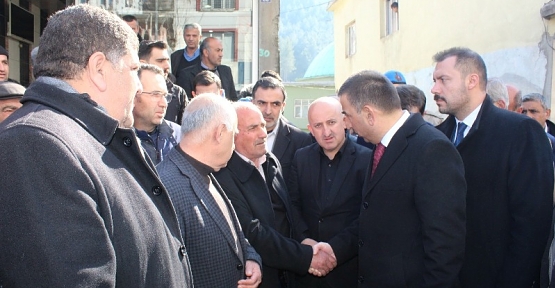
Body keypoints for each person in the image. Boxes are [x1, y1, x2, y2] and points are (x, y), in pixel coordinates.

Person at [0, 5, 193, 287]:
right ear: (99, 68)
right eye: (133, 69)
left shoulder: (84, 134)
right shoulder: (35, 144)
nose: (139, 87)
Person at [433, 47, 553, 287]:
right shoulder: (435, 138)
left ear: (472, 81)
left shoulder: (519, 133)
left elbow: (533, 223)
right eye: (434, 81)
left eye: (443, 80)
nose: (435, 89)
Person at [336, 70, 467, 287]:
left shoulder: (431, 149)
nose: (346, 124)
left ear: (369, 113)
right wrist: (335, 249)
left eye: (347, 115)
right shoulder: (381, 146)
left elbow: (444, 246)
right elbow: (374, 217)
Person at [214, 102, 335, 288]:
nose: (263, 133)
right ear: (233, 134)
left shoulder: (270, 161)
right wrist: (306, 257)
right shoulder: (222, 175)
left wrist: (303, 240)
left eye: (262, 125)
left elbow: (286, 211)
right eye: (253, 128)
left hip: (288, 275)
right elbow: (252, 232)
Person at [157, 94, 263, 288]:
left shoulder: (206, 170)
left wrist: (251, 258)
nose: (233, 144)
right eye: (234, 135)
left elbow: (233, 233)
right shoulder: (166, 187)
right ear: (220, 132)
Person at [289, 96, 372, 288]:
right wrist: (305, 240)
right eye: (318, 125)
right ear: (310, 130)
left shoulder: (366, 160)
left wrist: (335, 249)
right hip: (307, 269)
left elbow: (368, 215)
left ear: (345, 121)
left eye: (331, 122)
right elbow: (292, 204)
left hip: (349, 268)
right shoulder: (301, 158)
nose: (326, 132)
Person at [251, 77, 312, 186]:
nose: (268, 111)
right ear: (252, 103)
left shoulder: (300, 141)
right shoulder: (236, 136)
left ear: (283, 106)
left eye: (275, 104)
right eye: (262, 103)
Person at [134, 64, 181, 164]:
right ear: (134, 94)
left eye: (164, 96)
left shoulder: (179, 136)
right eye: (155, 94)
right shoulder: (116, 139)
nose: (164, 104)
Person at [139, 40, 188, 124]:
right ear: (143, 63)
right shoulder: (130, 91)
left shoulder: (178, 93)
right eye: (160, 61)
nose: (167, 66)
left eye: (167, 60)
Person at [177, 37, 238, 101]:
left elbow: (233, 99)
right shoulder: (186, 74)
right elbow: (186, 103)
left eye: (221, 50)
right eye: (217, 50)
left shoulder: (226, 71)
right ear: (206, 52)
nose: (221, 54)